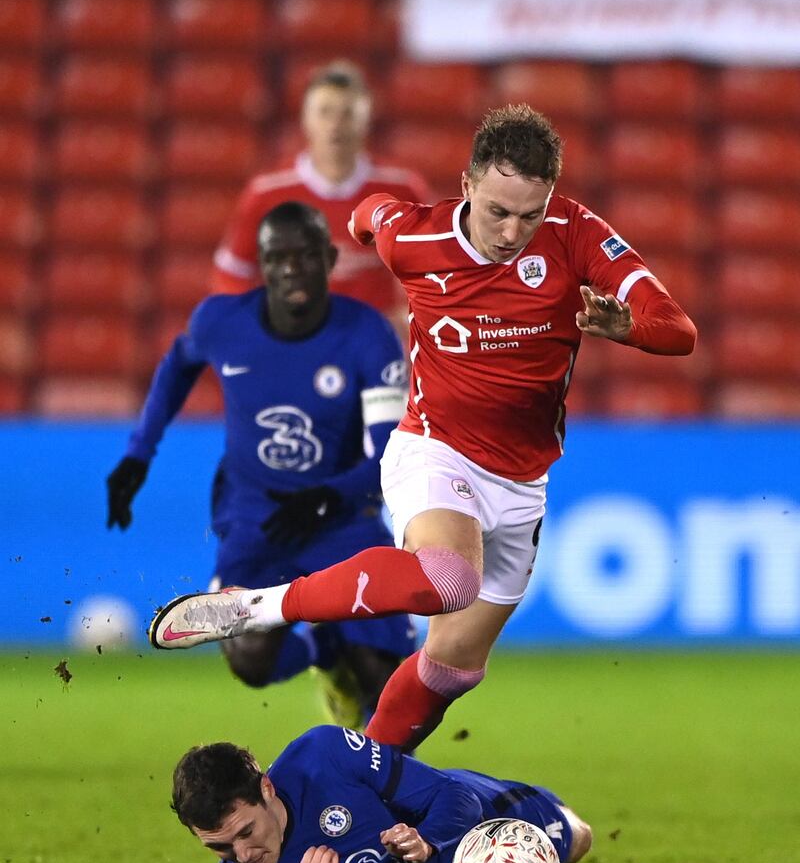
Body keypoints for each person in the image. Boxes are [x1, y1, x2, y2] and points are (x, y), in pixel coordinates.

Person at [150, 104, 697, 749]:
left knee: (453, 670)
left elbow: (679, 331)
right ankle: (257, 606)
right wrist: (358, 228)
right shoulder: (416, 238)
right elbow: (369, 216)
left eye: (531, 213)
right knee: (448, 580)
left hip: (522, 481)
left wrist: (627, 327)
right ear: (467, 186)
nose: (513, 231)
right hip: (435, 451)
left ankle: (366, 783)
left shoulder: (575, 232)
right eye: (498, 211)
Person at [109, 202, 415, 725]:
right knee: (249, 661)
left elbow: (391, 454)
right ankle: (323, 647)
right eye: (277, 257)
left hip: (341, 518)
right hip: (254, 517)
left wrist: (329, 497)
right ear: (262, 265)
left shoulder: (367, 337)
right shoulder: (220, 322)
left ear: (328, 257)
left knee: (386, 681)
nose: (291, 268)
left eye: (305, 255)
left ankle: (357, 717)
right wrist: (139, 453)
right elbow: (177, 367)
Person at [171, 725, 592, 863]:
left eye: (245, 832)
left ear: (266, 789)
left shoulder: (324, 754)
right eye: (220, 848)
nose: (244, 856)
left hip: (465, 818)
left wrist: (425, 841)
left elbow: (451, 797)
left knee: (579, 839)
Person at [211, 59, 431, 334]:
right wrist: (264, 324)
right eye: (325, 112)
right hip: (299, 346)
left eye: (348, 113)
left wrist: (410, 317)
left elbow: (435, 269)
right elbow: (232, 273)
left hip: (376, 346)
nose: (335, 125)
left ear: (367, 118)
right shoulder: (268, 193)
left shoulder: (402, 189)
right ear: (306, 118)